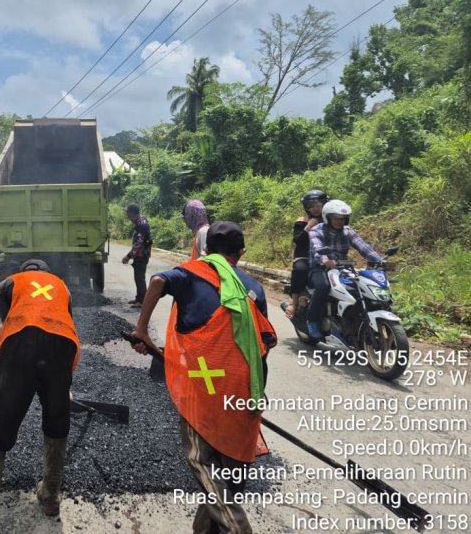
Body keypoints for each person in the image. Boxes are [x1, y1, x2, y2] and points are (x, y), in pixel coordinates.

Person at [130, 222, 277, 534]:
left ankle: (238, 528)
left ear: (206, 249)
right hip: (244, 389)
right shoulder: (254, 287)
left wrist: (141, 330)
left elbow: (157, 280)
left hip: (203, 388)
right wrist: (256, 392)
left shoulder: (190, 273)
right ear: (241, 253)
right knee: (232, 471)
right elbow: (261, 347)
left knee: (200, 459)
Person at [0, 259, 79, 534]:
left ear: (26, 271)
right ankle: (51, 495)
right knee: (57, 419)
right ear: (45, 272)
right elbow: (66, 318)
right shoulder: (61, 286)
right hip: (63, 344)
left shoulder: (14, 280)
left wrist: (10, 323)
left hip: (21, 343)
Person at [307, 200, 383, 339]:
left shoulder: (347, 231)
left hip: (342, 268)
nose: (339, 221)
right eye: (336, 218)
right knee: (323, 286)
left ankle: (354, 321)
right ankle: (312, 321)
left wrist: (380, 261)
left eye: (342, 218)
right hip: (319, 268)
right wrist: (325, 259)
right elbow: (317, 248)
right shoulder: (316, 230)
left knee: (358, 286)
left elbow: (363, 247)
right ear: (327, 217)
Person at [285, 190, 327, 319]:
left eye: (318, 204)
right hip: (304, 256)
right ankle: (294, 303)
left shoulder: (331, 221)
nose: (315, 208)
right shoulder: (302, 221)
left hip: (324, 256)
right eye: (311, 205)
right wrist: (308, 226)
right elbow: (297, 240)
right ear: (306, 207)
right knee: (300, 270)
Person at [121, 204, 152, 307]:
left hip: (142, 255)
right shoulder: (140, 222)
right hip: (140, 255)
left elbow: (138, 244)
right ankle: (139, 298)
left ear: (133, 213)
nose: (129, 217)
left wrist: (128, 256)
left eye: (129, 215)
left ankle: (142, 301)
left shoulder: (142, 225)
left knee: (140, 278)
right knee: (138, 277)